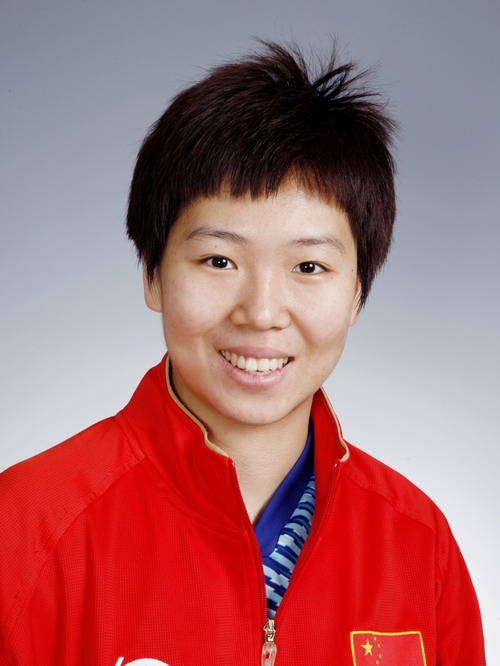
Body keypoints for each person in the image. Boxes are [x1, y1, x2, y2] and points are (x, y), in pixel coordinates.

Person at [0, 41, 485, 665]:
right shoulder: (26, 527)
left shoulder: (418, 543)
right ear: (152, 273)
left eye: (308, 266)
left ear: (358, 294)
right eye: (219, 260)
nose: (260, 312)